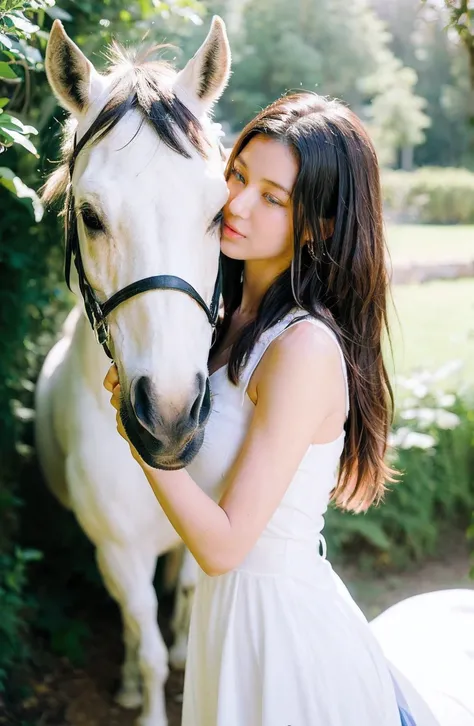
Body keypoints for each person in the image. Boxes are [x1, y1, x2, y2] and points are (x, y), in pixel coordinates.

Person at [104, 92, 438, 726]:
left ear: (320, 226)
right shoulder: (228, 326)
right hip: (226, 622)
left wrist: (138, 431)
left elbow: (226, 546)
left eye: (272, 198)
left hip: (284, 639)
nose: (236, 204)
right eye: (236, 175)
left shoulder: (303, 348)